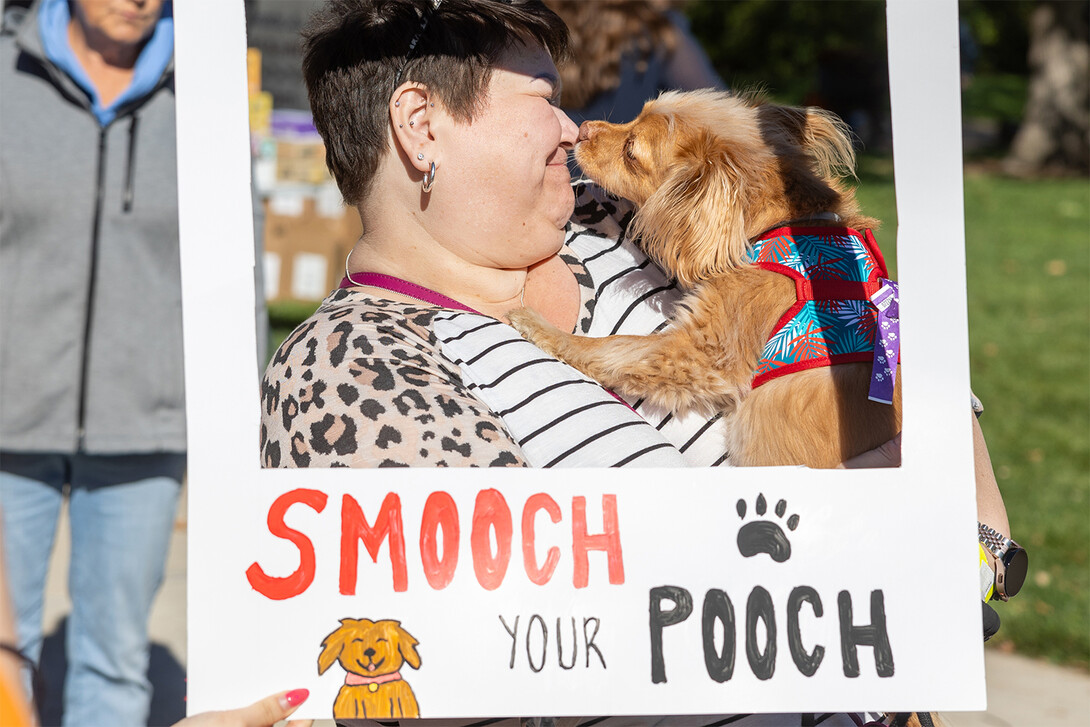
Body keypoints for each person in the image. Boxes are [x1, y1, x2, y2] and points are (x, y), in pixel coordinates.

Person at [260, 0, 1015, 723]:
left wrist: (976, 533)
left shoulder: (626, 218)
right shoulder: (352, 369)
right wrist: (836, 533)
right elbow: (455, 657)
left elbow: (873, 316)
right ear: (420, 125)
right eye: (542, 98)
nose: (571, 124)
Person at [0, 0, 184, 724]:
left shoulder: (200, 94)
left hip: (147, 422)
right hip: (8, 419)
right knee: (2, 659)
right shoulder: (8, 75)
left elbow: (235, 260)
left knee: (114, 662)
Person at [543, 0, 725, 129]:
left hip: (560, 175)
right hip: (628, 176)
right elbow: (721, 115)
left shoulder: (538, 27)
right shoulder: (658, 32)